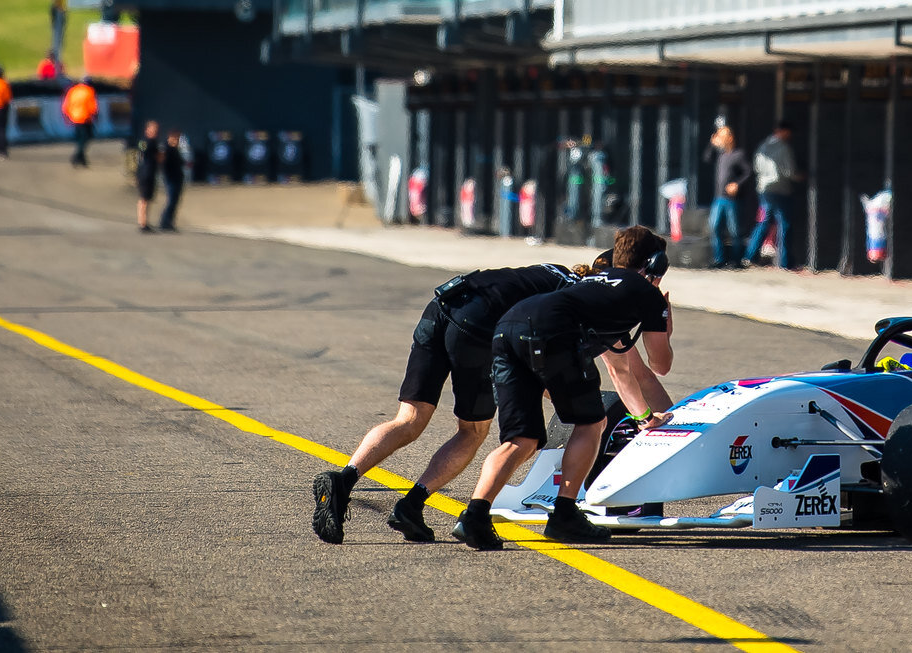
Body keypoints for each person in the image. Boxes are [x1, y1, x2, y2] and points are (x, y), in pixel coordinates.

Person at [311, 259, 585, 545]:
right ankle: (411, 504)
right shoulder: (572, 296)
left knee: (408, 420)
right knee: (473, 430)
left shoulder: (546, 271)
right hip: (476, 328)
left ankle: (344, 480)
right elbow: (537, 356)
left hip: (442, 304)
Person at [454, 227, 674, 549]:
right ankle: (565, 515)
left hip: (508, 329)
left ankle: (474, 515)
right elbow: (660, 364)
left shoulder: (594, 282)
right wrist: (665, 326)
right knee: (593, 423)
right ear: (656, 264)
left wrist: (643, 416)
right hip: (551, 335)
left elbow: (622, 369)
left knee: (522, 439)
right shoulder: (646, 294)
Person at [746, 118, 803, 269]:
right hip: (780, 191)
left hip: (764, 191)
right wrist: (800, 176)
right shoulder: (784, 148)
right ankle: (785, 263)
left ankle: (750, 256)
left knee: (763, 223)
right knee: (784, 225)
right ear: (783, 131)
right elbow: (789, 172)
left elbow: (756, 167)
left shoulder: (762, 146)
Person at [709, 122, 753, 269]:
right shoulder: (721, 155)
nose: (720, 139)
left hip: (732, 199)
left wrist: (737, 184)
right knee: (715, 227)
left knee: (734, 230)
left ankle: (736, 260)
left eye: (723, 136)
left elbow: (748, 172)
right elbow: (706, 158)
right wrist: (711, 144)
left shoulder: (739, 154)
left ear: (730, 138)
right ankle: (719, 259)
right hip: (718, 198)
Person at [62, 78, 97, 168]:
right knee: (86, 137)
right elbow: (91, 105)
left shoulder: (73, 90)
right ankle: (77, 156)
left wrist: (67, 116)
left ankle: (82, 159)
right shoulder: (89, 91)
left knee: (80, 138)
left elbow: (66, 105)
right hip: (85, 117)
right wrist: (95, 115)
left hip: (75, 117)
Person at [158, 129, 189, 231]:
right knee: (171, 201)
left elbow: (180, 162)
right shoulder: (167, 149)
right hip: (171, 178)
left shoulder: (175, 150)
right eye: (175, 138)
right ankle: (165, 222)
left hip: (177, 178)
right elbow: (164, 164)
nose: (176, 141)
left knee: (175, 201)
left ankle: (169, 221)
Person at [134, 121, 161, 233]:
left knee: (145, 198)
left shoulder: (143, 142)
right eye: (153, 129)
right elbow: (158, 157)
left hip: (144, 173)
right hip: (146, 174)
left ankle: (143, 221)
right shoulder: (150, 143)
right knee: (144, 199)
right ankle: (143, 223)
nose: (156, 132)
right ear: (147, 130)